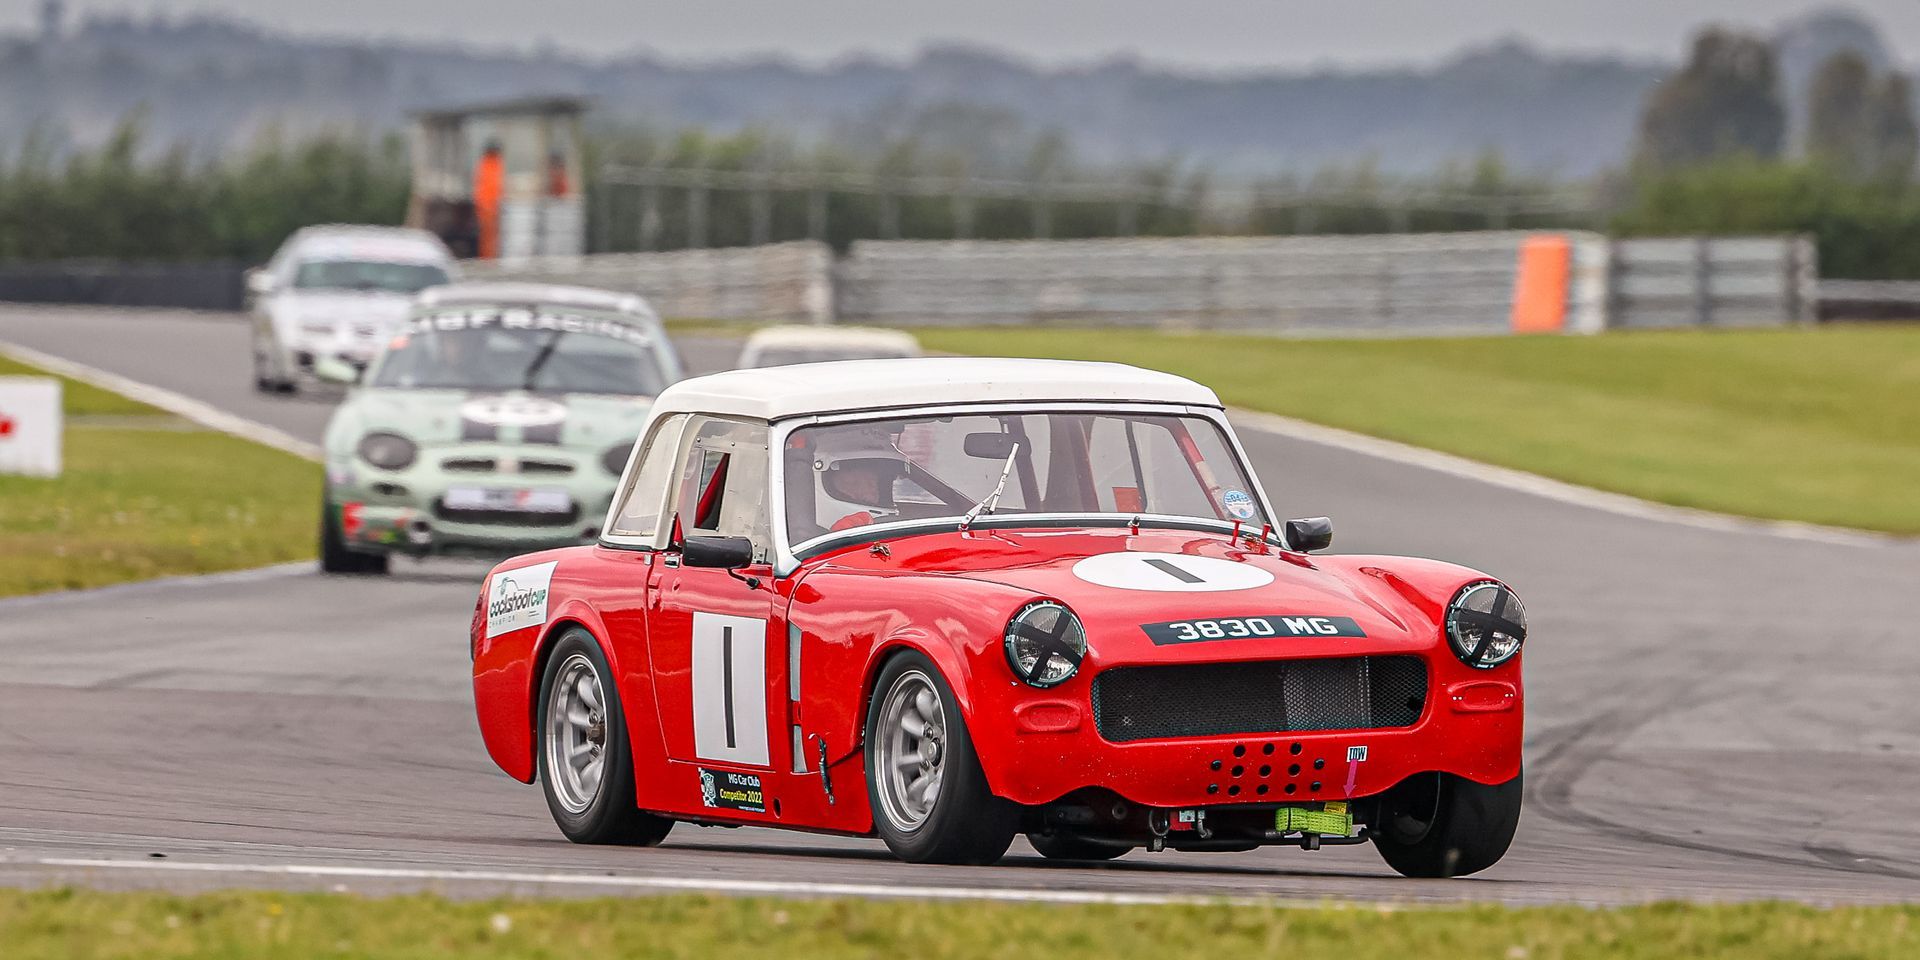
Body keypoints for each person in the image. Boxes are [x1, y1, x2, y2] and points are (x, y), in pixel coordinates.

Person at [473, 140, 506, 260]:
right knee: (487, 235)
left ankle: (491, 257)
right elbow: (487, 187)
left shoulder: (496, 163)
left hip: (493, 205)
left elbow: (498, 186)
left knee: (493, 235)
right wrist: (487, 206)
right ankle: (487, 258)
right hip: (487, 205)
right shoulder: (487, 164)